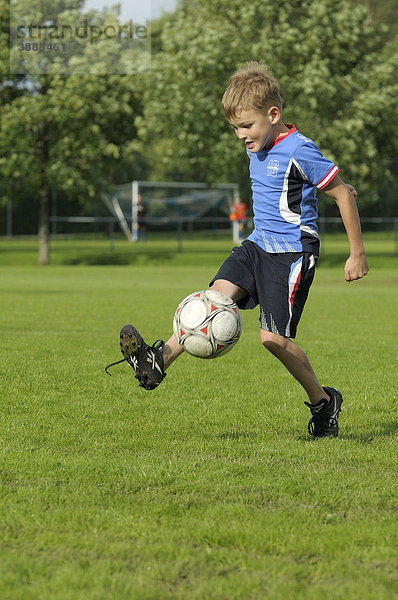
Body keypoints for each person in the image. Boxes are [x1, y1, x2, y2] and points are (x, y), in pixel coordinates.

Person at [106, 62, 369, 440]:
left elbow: (341, 192)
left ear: (273, 115)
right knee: (211, 299)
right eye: (236, 128)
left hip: (292, 254)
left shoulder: (300, 149)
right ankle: (158, 361)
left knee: (273, 340)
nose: (241, 135)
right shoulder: (258, 145)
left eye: (246, 126)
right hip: (257, 245)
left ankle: (323, 402)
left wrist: (356, 253)